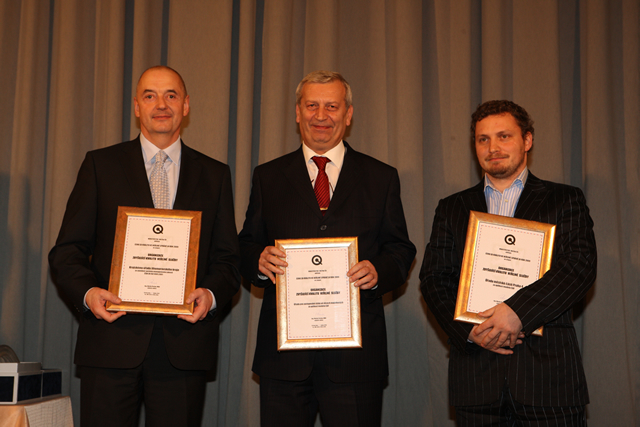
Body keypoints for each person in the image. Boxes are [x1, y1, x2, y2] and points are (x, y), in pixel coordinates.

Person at [48, 66, 240, 426]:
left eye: (171, 95)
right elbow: (67, 252)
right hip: (110, 343)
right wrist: (89, 294)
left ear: (186, 105)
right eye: (150, 96)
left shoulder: (214, 175)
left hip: (183, 347)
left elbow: (228, 259)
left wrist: (211, 295)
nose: (161, 105)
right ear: (137, 106)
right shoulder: (100, 165)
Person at [238, 70, 416, 426]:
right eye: (312, 106)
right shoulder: (268, 176)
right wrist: (258, 259)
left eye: (332, 106)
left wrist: (378, 271)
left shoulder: (380, 177)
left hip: (355, 359)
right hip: (283, 358)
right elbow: (245, 244)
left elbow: (400, 249)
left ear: (348, 114)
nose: (321, 116)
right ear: (297, 112)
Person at [420, 100, 597, 426]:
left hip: (548, 381)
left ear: (527, 140)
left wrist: (517, 312)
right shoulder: (452, 207)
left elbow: (578, 266)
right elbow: (434, 278)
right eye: (483, 139)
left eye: (504, 136)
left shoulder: (564, 199)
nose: (493, 148)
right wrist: (471, 331)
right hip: (476, 380)